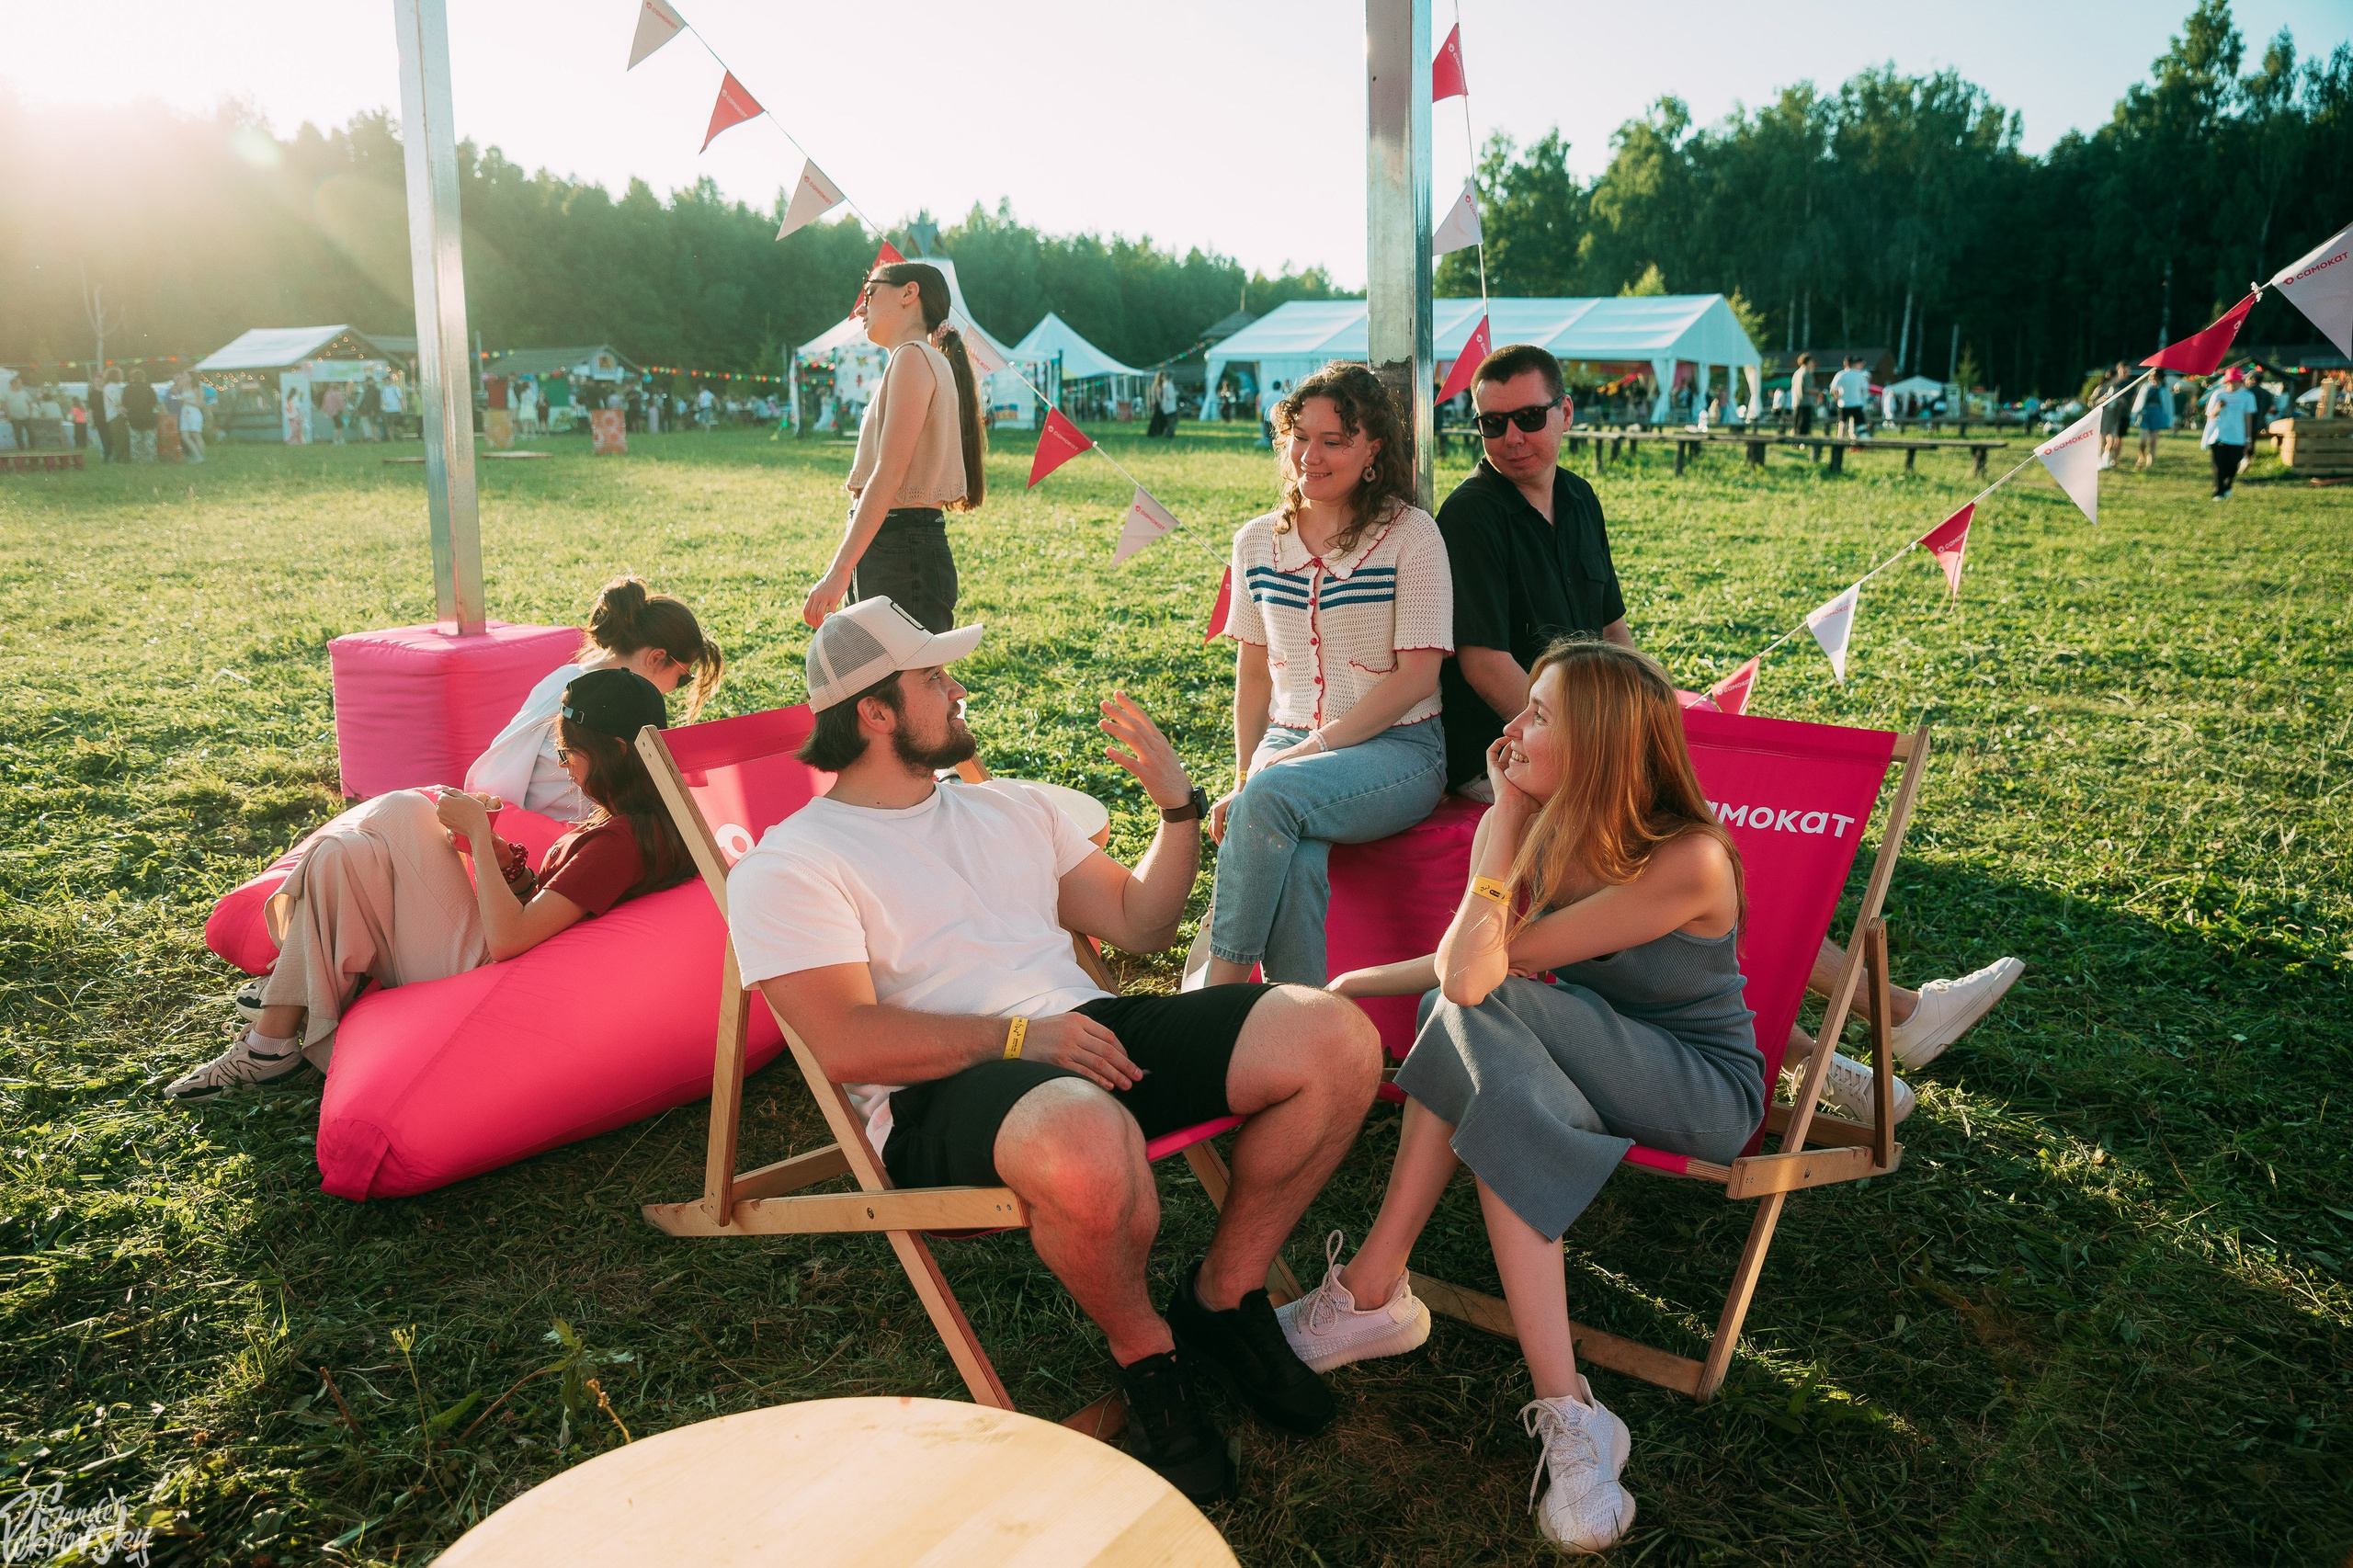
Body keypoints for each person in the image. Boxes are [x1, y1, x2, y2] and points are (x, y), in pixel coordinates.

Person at [730, 597, 1381, 1503]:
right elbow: (842, 1041)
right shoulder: (791, 864)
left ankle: (1224, 1298)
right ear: (874, 713)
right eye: (932, 679)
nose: (957, 689)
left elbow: (1140, 923)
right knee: (1081, 1131)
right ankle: (1146, 1354)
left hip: (1084, 1034)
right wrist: (1017, 1037)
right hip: (948, 1090)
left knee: (1336, 1039)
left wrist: (1177, 807)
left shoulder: (1008, 807)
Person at [1438, 344, 2018, 1122]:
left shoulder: (1577, 499)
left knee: (1720, 860)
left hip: (1591, 746)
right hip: (1516, 756)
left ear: (1568, 413)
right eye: (1491, 423)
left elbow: (1614, 635)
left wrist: (1652, 724)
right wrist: (1590, 752)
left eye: (1529, 417)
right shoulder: (1471, 514)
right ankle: (1865, 1028)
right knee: (1686, 873)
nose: (1512, 436)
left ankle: (1847, 1030)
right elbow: (1483, 664)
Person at [1308, 640, 1757, 1553]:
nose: (1511, 730)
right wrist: (1356, 982)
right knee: (1466, 1020)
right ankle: (1565, 1404)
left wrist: (1503, 814)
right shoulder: (1564, 834)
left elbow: (1483, 971)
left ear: (1593, 743)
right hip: (1600, 1053)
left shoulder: (1691, 859)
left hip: (1701, 1087)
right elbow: (1472, 967)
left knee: (1463, 1003)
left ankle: (1374, 1294)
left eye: (1538, 716)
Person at [167, 669, 691, 1101]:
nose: (568, 770)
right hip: (506, 958)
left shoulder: (621, 839)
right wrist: (509, 864)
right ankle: (271, 1043)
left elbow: (511, 940)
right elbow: (558, 903)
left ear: (619, 750)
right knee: (342, 854)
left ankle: (280, 1006)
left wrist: (479, 842)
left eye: (570, 756)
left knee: (404, 810)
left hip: (496, 978)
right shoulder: (637, 817)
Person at [1206, 361, 1451, 987]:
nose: (1309, 455)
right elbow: (1255, 676)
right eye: (1300, 435)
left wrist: (1297, 759)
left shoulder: (1411, 536)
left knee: (1272, 799)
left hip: (1400, 747)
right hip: (1288, 742)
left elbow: (1417, 678)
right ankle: (1302, 1027)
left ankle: (1221, 995)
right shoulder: (1256, 542)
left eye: (1333, 441)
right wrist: (1249, 770)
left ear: (1373, 449)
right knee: (1291, 851)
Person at [800, 261, 987, 636]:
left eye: (869, 292)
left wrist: (837, 574)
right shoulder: (919, 359)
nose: (860, 308)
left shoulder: (913, 357)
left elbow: (889, 471)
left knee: (907, 686)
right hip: (899, 546)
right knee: (896, 684)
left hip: (902, 550)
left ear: (908, 293)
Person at [466, 575, 723, 822]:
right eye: (683, 677)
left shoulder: (582, 686)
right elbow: (497, 781)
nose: (674, 688)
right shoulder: (575, 693)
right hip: (551, 837)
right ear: (656, 657)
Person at [2201, 367, 2259, 500]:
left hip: (2238, 437)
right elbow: (2210, 415)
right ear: (2227, 382)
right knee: (2219, 465)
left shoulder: (2247, 396)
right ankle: (2218, 491)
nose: (2234, 384)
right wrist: (2218, 408)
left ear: (2241, 382)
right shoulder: (2218, 395)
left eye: (2237, 381)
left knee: (2233, 464)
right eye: (2232, 381)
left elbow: (2248, 418)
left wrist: (2248, 438)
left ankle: (2227, 485)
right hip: (2219, 435)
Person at [2132, 373, 2173, 470]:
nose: (2152, 377)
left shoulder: (2164, 389)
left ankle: (2149, 464)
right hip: (2146, 413)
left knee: (2153, 441)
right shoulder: (2145, 387)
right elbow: (2139, 402)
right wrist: (2134, 416)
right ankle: (2141, 458)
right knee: (2143, 440)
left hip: (2157, 414)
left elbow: (2168, 405)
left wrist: (2169, 421)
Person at [122, 371, 159, 462]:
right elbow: (154, 402)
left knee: (135, 441)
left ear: (132, 378)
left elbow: (124, 403)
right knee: (149, 441)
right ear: (144, 377)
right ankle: (150, 459)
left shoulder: (127, 389)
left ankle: (137, 459)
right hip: (148, 418)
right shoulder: (149, 388)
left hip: (134, 418)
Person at [1830, 356, 1871, 438]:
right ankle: (1861, 441)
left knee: (1842, 424)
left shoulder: (1840, 374)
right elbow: (1863, 390)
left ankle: (1840, 442)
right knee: (1860, 424)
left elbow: (1833, 390)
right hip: (1856, 403)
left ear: (1845, 364)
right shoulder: (1860, 375)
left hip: (1844, 403)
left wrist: (1837, 399)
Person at [3, 378, 30, 451]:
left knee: (31, 432)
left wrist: (30, 413)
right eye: (19, 383)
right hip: (14, 417)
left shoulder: (24, 392)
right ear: (14, 384)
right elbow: (3, 404)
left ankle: (32, 447)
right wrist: (8, 414)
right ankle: (22, 448)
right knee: (18, 433)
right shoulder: (6, 393)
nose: (21, 385)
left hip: (26, 416)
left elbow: (29, 403)